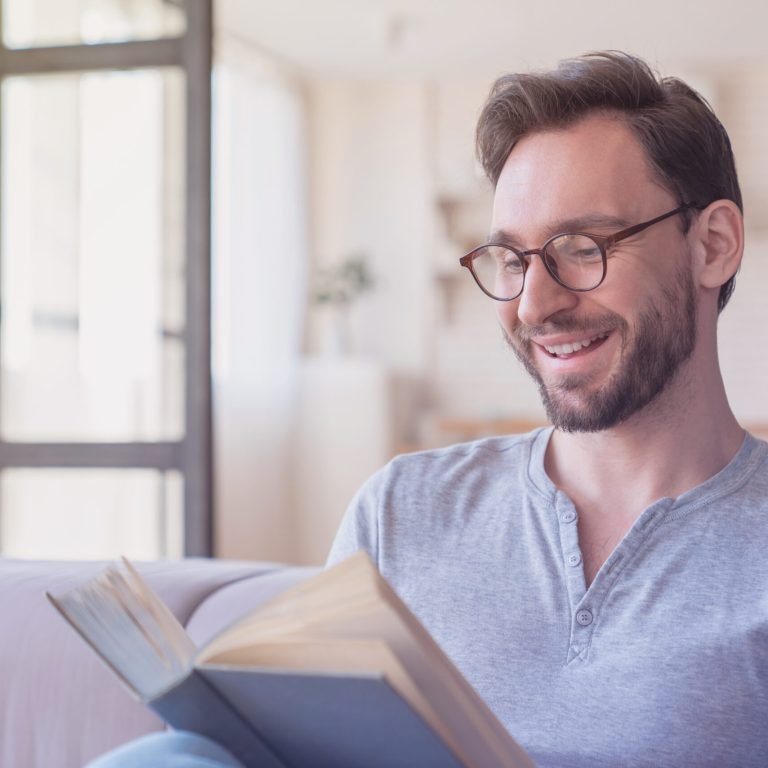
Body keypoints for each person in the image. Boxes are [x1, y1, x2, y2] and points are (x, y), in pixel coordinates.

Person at [88, 50, 768, 768]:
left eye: (582, 247)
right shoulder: (401, 511)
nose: (534, 304)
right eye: (512, 259)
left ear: (713, 246)